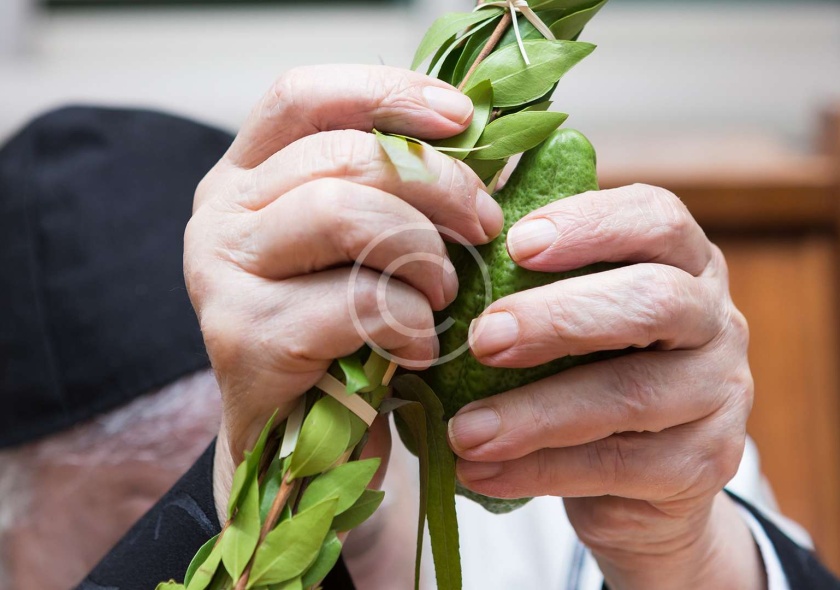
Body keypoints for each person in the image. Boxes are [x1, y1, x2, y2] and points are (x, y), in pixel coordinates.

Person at [0, 68, 836, 588]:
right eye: (146, 524)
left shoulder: (593, 451)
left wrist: (683, 561)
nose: (309, 516)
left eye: (353, 532)